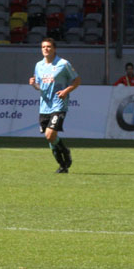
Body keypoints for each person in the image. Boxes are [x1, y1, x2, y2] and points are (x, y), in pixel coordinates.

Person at [28, 37, 80, 173]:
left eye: (48, 46)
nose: (45, 49)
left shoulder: (63, 64)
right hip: (44, 106)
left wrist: (66, 91)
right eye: (43, 47)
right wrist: (34, 84)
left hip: (59, 104)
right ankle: (62, 165)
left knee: (50, 134)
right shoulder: (39, 65)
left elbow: (77, 80)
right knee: (50, 138)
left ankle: (66, 152)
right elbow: (40, 87)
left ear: (54, 49)